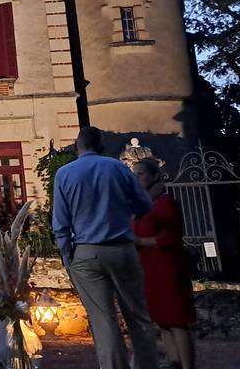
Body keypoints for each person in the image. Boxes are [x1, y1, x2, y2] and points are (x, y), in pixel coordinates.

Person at [52, 126, 159, 369]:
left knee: (103, 321)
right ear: (102, 146)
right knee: (138, 317)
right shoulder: (118, 168)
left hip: (86, 251)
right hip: (121, 247)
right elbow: (144, 206)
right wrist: (121, 213)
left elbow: (60, 223)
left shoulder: (64, 174)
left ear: (78, 146)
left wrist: (68, 257)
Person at [132, 158, 197, 369]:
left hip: (167, 268)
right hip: (151, 269)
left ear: (154, 176)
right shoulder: (145, 205)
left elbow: (171, 237)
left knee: (177, 321)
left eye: (140, 174)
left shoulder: (165, 203)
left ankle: (186, 365)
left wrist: (140, 241)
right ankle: (173, 362)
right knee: (164, 321)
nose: (136, 178)